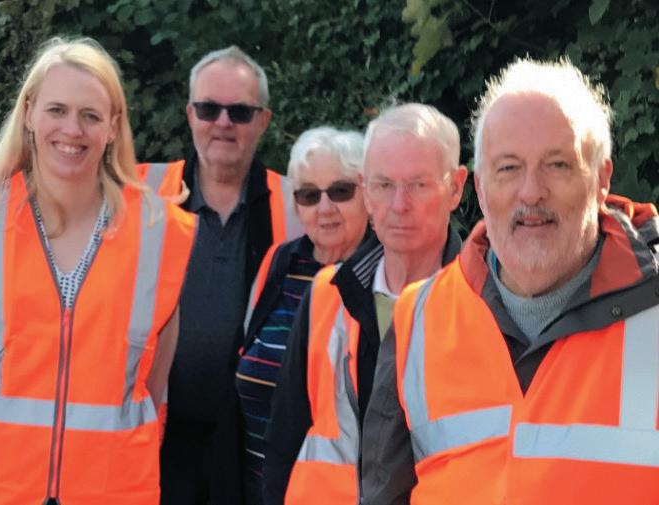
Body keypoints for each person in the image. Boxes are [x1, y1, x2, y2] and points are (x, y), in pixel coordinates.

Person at [363, 58, 659, 504]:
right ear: (481, 189)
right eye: (508, 168)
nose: (531, 191)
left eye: (558, 164)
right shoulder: (418, 320)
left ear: (601, 179)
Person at [0, 37, 196, 504]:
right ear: (29, 113)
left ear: (113, 126)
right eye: (56, 110)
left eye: (91, 116)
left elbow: (153, 381)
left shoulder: (159, 230)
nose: (72, 129)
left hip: (113, 488)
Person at [266, 104, 468, 505]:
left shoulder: (483, 302)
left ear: (456, 188)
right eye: (384, 185)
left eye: (418, 185)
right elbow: (283, 445)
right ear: (365, 189)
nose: (399, 204)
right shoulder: (328, 295)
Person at [139, 45, 303, 505]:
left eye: (240, 112)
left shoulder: (300, 206)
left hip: (254, 443)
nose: (223, 123)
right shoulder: (140, 193)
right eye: (210, 109)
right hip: (157, 438)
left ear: (264, 120)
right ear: (190, 114)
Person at [235, 126, 370, 503]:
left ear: (368, 195)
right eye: (309, 195)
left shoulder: (382, 278)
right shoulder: (280, 262)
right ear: (296, 206)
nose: (324, 208)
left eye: (340, 191)